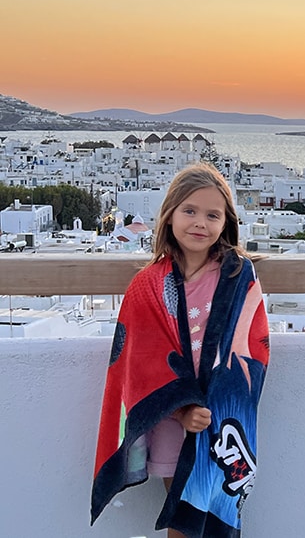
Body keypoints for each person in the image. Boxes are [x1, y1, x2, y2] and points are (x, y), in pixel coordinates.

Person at [91, 163, 270, 538]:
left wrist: (212, 404)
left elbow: (252, 349)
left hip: (221, 422)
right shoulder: (149, 285)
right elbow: (138, 363)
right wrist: (182, 409)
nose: (199, 222)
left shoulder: (239, 278)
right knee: (185, 520)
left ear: (226, 223)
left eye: (212, 215)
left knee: (217, 514)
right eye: (189, 211)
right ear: (170, 215)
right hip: (174, 422)